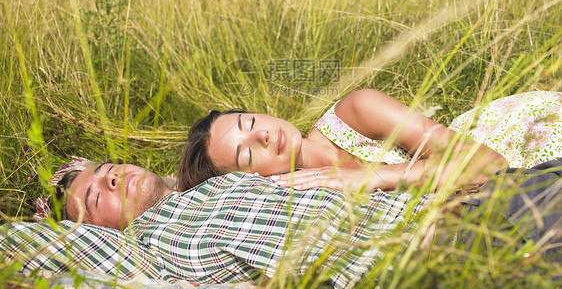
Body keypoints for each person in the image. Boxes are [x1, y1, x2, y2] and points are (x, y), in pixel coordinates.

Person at [2, 158, 562, 287]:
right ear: (94, 232)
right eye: (93, 196)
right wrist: (57, 231)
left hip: (483, 200)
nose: (110, 181)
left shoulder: (225, 179)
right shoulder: (151, 250)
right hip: (440, 259)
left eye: (105, 169)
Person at [178, 89, 562, 191]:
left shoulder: (356, 112)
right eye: (247, 154)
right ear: (249, 180)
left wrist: (374, 177)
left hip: (522, 140)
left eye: (250, 121)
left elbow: (489, 165)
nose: (263, 134)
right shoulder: (296, 201)